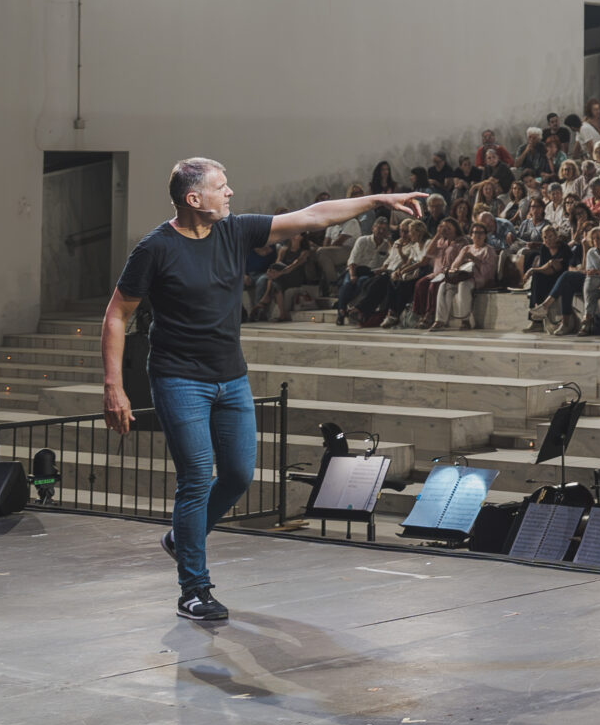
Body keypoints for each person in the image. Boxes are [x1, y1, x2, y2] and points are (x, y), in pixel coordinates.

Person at [103, 158, 423, 621]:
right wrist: (114, 386)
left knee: (237, 476)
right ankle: (193, 589)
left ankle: (182, 537)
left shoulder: (235, 230)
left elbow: (313, 215)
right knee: (196, 478)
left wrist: (378, 200)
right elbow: (117, 314)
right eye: (221, 187)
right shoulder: (156, 248)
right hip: (178, 379)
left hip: (231, 377)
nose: (230, 193)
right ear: (194, 198)